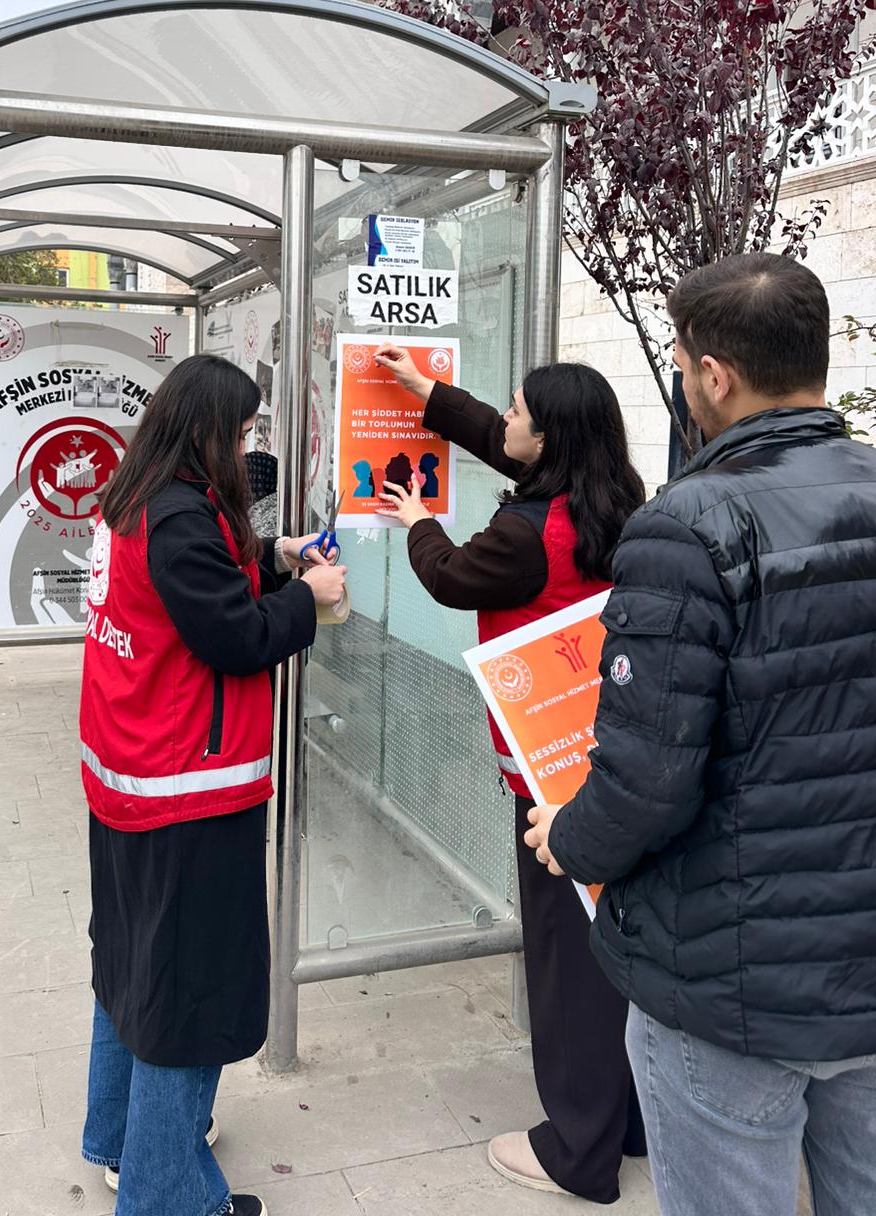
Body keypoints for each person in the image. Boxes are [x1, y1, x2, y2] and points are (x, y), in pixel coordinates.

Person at [526, 254, 876, 1216]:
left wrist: (568, 835)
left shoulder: (687, 525)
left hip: (732, 980)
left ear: (712, 375)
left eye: (683, 362)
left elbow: (645, 780)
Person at [375, 345, 647, 1204]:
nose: (509, 419)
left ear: (553, 434)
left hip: (547, 781)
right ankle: (627, 1119)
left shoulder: (524, 537)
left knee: (565, 963)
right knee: (614, 948)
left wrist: (417, 516)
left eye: (520, 408)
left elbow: (450, 576)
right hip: (614, 762)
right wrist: (431, 397)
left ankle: (578, 1148)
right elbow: (510, 448)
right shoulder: (615, 504)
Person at [78, 353, 347, 1216]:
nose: (246, 446)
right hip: (186, 787)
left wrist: (274, 553)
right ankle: (166, 1195)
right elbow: (231, 633)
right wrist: (310, 597)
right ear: (205, 432)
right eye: (240, 432)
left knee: (130, 964)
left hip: (128, 775)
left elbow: (200, 586)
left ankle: (117, 1136)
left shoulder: (138, 496)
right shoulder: (182, 517)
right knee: (186, 997)